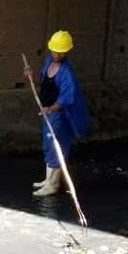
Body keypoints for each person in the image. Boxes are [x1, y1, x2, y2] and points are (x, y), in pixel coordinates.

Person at [25, 30, 90, 196]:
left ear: (66, 52)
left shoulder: (66, 73)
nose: (57, 55)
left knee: (56, 146)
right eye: (55, 51)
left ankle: (53, 185)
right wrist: (31, 77)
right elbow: (44, 82)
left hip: (59, 116)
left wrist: (50, 109)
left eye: (61, 52)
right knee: (48, 146)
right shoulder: (48, 62)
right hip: (48, 113)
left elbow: (66, 98)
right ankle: (48, 180)